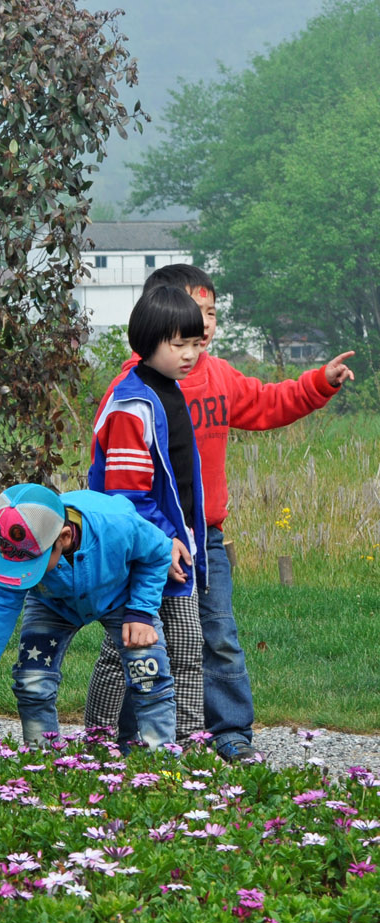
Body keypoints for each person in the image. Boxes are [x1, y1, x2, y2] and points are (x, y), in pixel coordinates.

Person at [98, 263, 354, 761]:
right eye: (194, 314)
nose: (205, 326)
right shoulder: (133, 392)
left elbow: (265, 403)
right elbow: (122, 484)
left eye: (211, 314)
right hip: (150, 541)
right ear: (157, 320)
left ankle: (229, 732)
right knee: (141, 640)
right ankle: (125, 739)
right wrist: (150, 539)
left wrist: (318, 383)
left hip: (205, 537)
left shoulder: (217, 375)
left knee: (216, 636)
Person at [0, 483, 176, 749]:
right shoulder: (13, 542)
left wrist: (141, 611)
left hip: (121, 597)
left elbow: (159, 553)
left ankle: (161, 768)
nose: (21, 572)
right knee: (31, 683)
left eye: (33, 565)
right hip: (52, 603)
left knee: (149, 676)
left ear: (63, 537)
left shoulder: (117, 523)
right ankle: (43, 765)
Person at [88, 285, 208, 747]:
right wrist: (165, 539)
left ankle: (188, 741)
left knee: (185, 647)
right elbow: (126, 493)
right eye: (178, 344)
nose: (189, 354)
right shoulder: (131, 405)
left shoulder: (168, 391)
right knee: (126, 649)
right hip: (140, 550)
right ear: (148, 340)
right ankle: (98, 744)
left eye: (196, 344)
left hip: (174, 549)